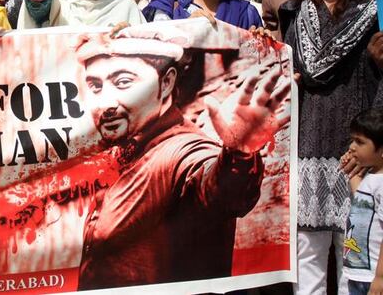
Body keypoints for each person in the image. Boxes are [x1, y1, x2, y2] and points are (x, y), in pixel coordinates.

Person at [75, 24, 288, 289]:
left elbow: (221, 190)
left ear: (166, 83)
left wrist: (239, 155)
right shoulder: (127, 151)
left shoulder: (183, 150)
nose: (106, 102)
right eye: (95, 86)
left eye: (123, 82)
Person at [283, 0, 382, 295]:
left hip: (359, 151)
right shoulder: (296, 12)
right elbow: (290, 73)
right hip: (309, 149)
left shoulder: (376, 10)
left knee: (354, 256)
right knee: (307, 258)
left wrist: (373, 144)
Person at [343, 108, 383, 295]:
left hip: (373, 277)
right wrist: (349, 171)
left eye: (360, 142)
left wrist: (380, 278)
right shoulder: (372, 175)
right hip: (358, 275)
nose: (352, 146)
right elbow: (361, 197)